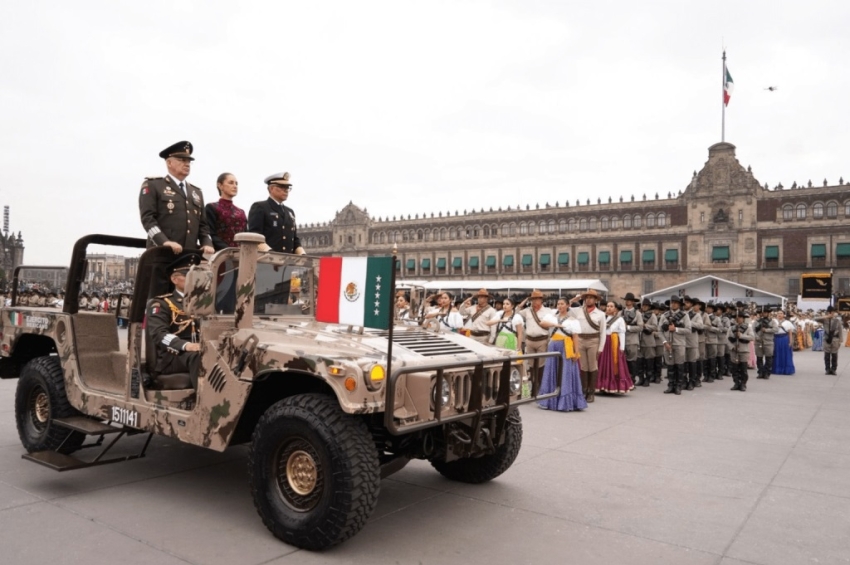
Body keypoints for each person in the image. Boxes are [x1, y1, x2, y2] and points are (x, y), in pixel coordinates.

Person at [139, 140, 214, 255]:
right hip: (161, 254)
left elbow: (203, 226)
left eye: (189, 161)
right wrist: (164, 242)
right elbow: (148, 220)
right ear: (169, 163)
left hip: (188, 255)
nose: (187, 164)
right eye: (182, 160)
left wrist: (207, 243)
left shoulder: (196, 192)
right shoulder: (153, 185)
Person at [146, 253, 204, 388]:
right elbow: (158, 334)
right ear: (174, 279)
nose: (194, 280)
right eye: (188, 276)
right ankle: (206, 404)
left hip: (200, 348)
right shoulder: (162, 303)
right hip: (174, 355)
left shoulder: (204, 302)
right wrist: (186, 345)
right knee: (198, 357)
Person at [537, 297, 586, 411]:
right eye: (558, 304)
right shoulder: (552, 316)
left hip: (566, 345)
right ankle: (549, 399)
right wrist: (558, 325)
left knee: (566, 372)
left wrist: (576, 352)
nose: (560, 306)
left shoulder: (573, 320)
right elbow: (542, 323)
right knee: (551, 370)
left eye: (562, 304)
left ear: (568, 305)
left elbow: (575, 337)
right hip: (553, 345)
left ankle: (566, 401)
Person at [248, 172, 305, 254]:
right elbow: (255, 235)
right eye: (282, 187)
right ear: (271, 188)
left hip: (288, 262)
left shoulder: (290, 212)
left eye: (287, 188)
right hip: (266, 260)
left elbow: (294, 239)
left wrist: (302, 255)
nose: (286, 190)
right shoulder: (260, 207)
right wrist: (270, 253)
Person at [568, 289, 606, 403]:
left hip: (593, 340)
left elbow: (603, 332)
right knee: (583, 366)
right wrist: (575, 299)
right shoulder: (579, 311)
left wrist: (601, 348)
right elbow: (566, 307)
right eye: (587, 297)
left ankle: (591, 392)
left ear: (595, 300)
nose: (588, 299)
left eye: (591, 298)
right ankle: (584, 390)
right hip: (580, 339)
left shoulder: (600, 314)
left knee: (592, 366)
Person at [597, 301, 634, 394]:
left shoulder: (619, 319)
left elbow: (622, 333)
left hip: (613, 342)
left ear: (615, 309)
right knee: (601, 363)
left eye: (611, 306)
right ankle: (601, 385)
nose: (609, 308)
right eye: (608, 306)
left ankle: (613, 385)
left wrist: (622, 347)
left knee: (613, 363)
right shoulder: (602, 318)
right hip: (602, 342)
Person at [205, 172, 247, 251]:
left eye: (236, 183)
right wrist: (228, 249)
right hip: (222, 255)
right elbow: (211, 234)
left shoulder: (241, 212)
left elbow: (246, 235)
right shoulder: (211, 207)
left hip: (242, 255)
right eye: (231, 183)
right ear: (220, 185)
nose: (235, 186)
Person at [660, 295, 691, 395]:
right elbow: (659, 330)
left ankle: (678, 386)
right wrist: (664, 342)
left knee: (679, 366)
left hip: (679, 344)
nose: (673, 304)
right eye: (671, 302)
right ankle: (670, 385)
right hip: (667, 344)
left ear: (679, 304)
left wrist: (676, 329)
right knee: (670, 366)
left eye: (675, 302)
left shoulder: (684, 316)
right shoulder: (664, 315)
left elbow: (688, 330)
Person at [621, 292, 645, 385]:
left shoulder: (637, 314)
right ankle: (624, 378)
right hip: (622, 340)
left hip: (632, 340)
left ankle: (632, 379)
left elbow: (640, 327)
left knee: (632, 360)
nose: (628, 302)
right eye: (627, 300)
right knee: (624, 360)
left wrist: (628, 327)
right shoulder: (621, 313)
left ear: (633, 302)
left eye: (630, 300)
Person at [727, 309, 755, 391]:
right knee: (734, 368)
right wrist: (732, 347)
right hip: (734, 351)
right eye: (737, 317)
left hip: (744, 350)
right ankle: (736, 383)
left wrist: (741, 336)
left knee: (743, 369)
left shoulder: (748, 328)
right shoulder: (731, 328)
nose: (738, 319)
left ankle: (743, 384)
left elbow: (752, 337)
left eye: (740, 317)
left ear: (743, 318)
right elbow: (727, 339)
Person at [682, 296, 703, 390]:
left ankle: (692, 381)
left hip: (692, 341)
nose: (685, 304)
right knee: (683, 362)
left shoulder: (696, 315)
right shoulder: (680, 313)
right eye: (684, 302)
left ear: (691, 305)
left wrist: (688, 322)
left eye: (687, 302)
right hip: (682, 341)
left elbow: (700, 325)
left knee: (692, 362)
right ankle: (683, 381)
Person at [815, 306, 842, 375]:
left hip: (835, 339)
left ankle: (833, 369)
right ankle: (827, 369)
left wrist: (840, 341)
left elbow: (840, 331)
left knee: (834, 355)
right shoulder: (825, 320)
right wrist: (826, 317)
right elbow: (815, 319)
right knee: (827, 355)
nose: (831, 313)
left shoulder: (837, 321)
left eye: (832, 312)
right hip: (827, 339)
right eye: (830, 312)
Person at [637, 298, 658, 386]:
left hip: (649, 341)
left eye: (646, 305)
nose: (644, 307)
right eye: (643, 305)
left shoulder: (652, 315)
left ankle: (647, 379)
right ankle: (641, 378)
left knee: (649, 361)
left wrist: (645, 326)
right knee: (640, 362)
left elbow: (655, 327)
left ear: (649, 307)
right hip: (640, 341)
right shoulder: (639, 315)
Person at [754, 307, 778, 379]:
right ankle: (760, 372)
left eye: (765, 312)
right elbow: (752, 330)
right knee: (759, 358)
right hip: (759, 342)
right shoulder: (756, 322)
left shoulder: (772, 321)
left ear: (768, 313)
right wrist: (756, 337)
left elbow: (776, 329)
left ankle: (767, 372)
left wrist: (766, 330)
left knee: (769, 358)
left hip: (768, 341)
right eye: (762, 313)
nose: (763, 314)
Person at [772, 310, 796, 375]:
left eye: (781, 313)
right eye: (778, 313)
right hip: (776, 338)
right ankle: (776, 368)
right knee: (776, 353)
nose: (779, 315)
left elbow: (790, 333)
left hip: (784, 338)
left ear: (784, 315)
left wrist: (790, 341)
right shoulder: (774, 321)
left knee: (785, 353)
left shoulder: (787, 322)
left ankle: (786, 369)